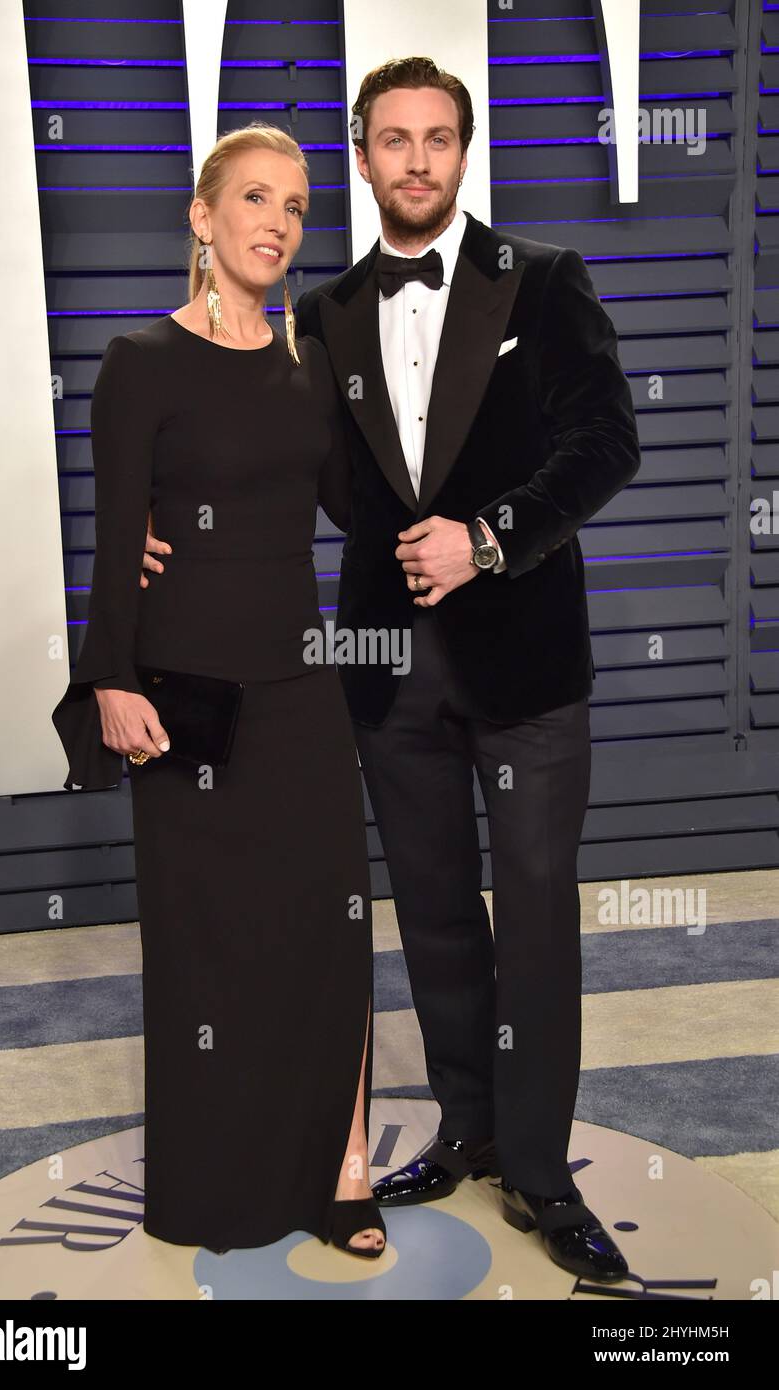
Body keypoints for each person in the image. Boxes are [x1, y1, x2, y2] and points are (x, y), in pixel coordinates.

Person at [143, 60, 642, 1283]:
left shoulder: (546, 282)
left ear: (464, 153)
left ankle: (535, 1163)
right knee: (428, 918)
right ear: (362, 159)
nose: (415, 161)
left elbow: (606, 441)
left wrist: (488, 537)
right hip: (380, 673)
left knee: (531, 920)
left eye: (437, 140)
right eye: (391, 141)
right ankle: (467, 1125)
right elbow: (254, 450)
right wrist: (159, 522)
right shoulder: (315, 316)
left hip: (524, 665)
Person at [52, 123, 386, 1259]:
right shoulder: (138, 360)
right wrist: (107, 676)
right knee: (205, 947)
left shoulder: (309, 364)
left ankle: (344, 1171)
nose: (279, 223)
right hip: (184, 696)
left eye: (296, 206)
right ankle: (214, 1182)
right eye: (255, 199)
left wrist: (492, 521)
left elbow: (366, 507)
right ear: (202, 218)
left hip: (301, 692)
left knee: (329, 934)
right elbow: (113, 540)